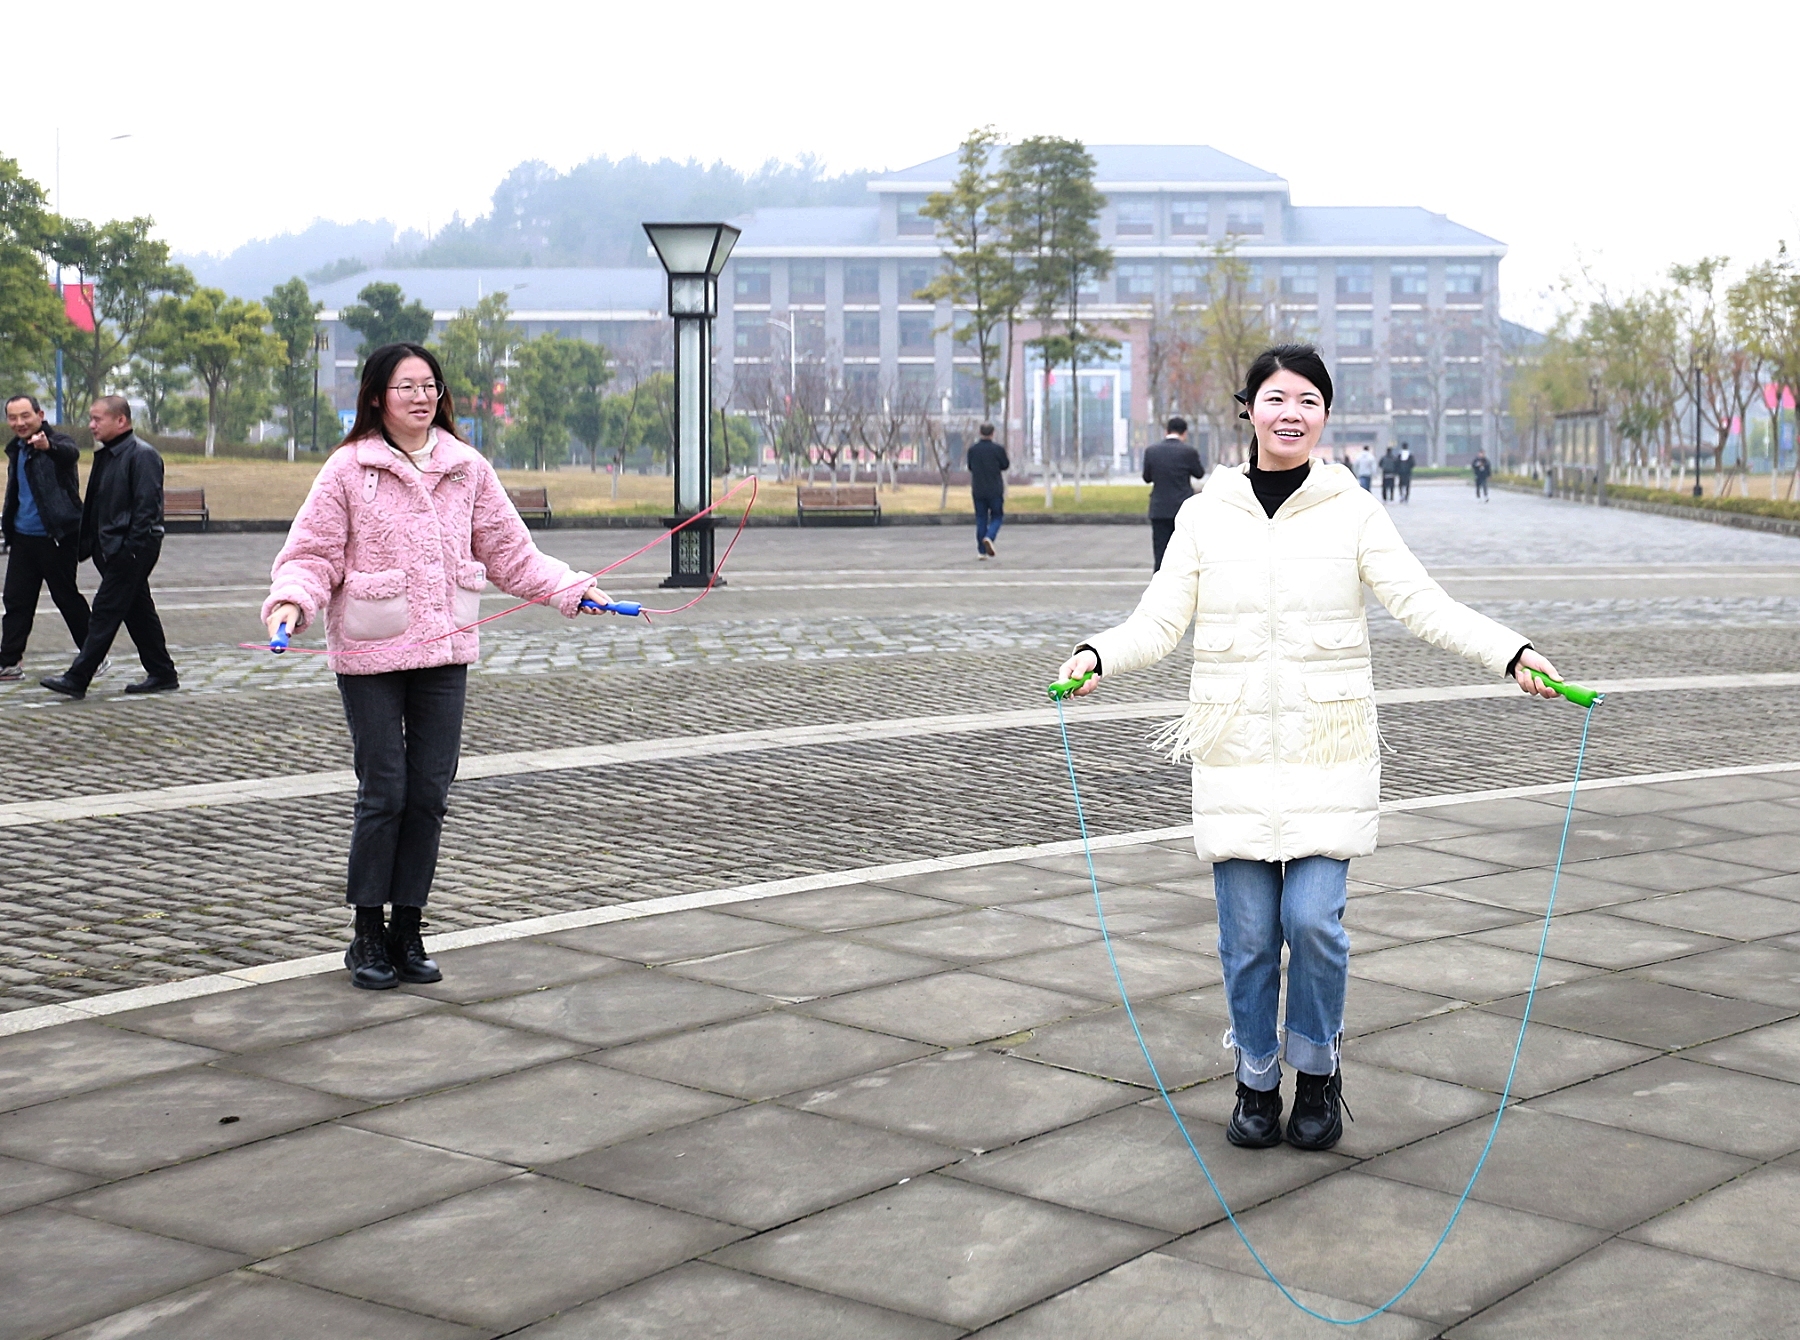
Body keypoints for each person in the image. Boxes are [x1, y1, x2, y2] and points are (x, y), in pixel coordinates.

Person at [1055, 343, 1563, 1152]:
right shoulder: (1205, 513)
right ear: (1249, 408)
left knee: (1314, 922)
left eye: (1309, 401)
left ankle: (1318, 1074)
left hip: (1328, 750)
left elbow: (1422, 602)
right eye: (1276, 398)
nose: (1291, 413)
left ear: (1325, 416)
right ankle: (1257, 1079)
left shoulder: (1353, 510)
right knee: (1249, 939)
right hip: (1234, 752)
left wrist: (1513, 652)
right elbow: (1158, 620)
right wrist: (1096, 655)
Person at [263, 343, 616, 992]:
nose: (421, 397)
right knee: (384, 791)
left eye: (430, 385)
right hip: (371, 650)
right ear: (377, 397)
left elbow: (512, 554)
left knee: (429, 792)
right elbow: (312, 554)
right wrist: (291, 602)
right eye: (407, 386)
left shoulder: (466, 467)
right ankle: (366, 933)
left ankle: (408, 927)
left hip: (445, 652)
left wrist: (574, 589)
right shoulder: (348, 469)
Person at [40, 397, 176, 700]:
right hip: (113, 547)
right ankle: (163, 672)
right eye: (91, 418)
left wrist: (130, 549)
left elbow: (147, 508)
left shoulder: (142, 455)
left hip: (131, 548)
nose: (91, 425)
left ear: (121, 421)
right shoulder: (111, 454)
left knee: (105, 610)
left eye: (97, 419)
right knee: (138, 610)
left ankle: (78, 677)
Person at [2, 395, 91, 680]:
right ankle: (9, 662)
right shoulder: (16, 449)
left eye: (25, 416)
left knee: (66, 597)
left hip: (57, 535)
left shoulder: (57, 442)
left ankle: (93, 655)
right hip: (23, 537)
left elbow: (70, 454)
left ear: (40, 415)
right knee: (16, 599)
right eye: (13, 417)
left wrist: (47, 446)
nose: (19, 423)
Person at [1142, 416, 1205, 570]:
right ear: (1185, 433)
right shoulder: (1188, 452)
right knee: (1185, 554)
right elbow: (1199, 473)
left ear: (1166, 431)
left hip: (1159, 509)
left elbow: (1147, 477)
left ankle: (1160, 582)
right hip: (1183, 508)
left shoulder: (1151, 451)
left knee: (1161, 554)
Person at [966, 423, 1009, 558]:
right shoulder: (998, 449)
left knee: (981, 518)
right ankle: (989, 536)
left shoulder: (973, 450)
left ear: (980, 432)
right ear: (992, 433)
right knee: (997, 516)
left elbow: (970, 466)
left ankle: (981, 551)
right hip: (994, 488)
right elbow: (1005, 465)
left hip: (978, 489)